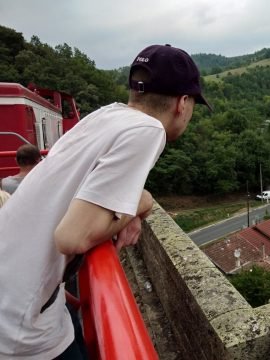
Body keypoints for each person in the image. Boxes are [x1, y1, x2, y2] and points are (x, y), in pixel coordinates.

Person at [0, 44, 211, 359]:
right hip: (18, 326)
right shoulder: (149, 130)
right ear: (182, 103)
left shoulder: (105, 115)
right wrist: (142, 203)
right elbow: (72, 236)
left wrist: (132, 202)